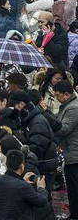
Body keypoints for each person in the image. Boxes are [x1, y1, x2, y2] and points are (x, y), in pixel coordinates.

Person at [0, 149, 48, 219]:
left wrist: (23, 181)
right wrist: (41, 188)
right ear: (22, 166)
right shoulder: (23, 187)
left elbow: (12, 190)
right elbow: (41, 201)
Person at [53, 80, 78, 219]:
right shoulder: (67, 105)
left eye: (58, 95)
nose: (56, 98)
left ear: (66, 94)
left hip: (74, 154)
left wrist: (49, 118)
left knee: (74, 188)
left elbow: (63, 129)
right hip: (70, 153)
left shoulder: (73, 108)